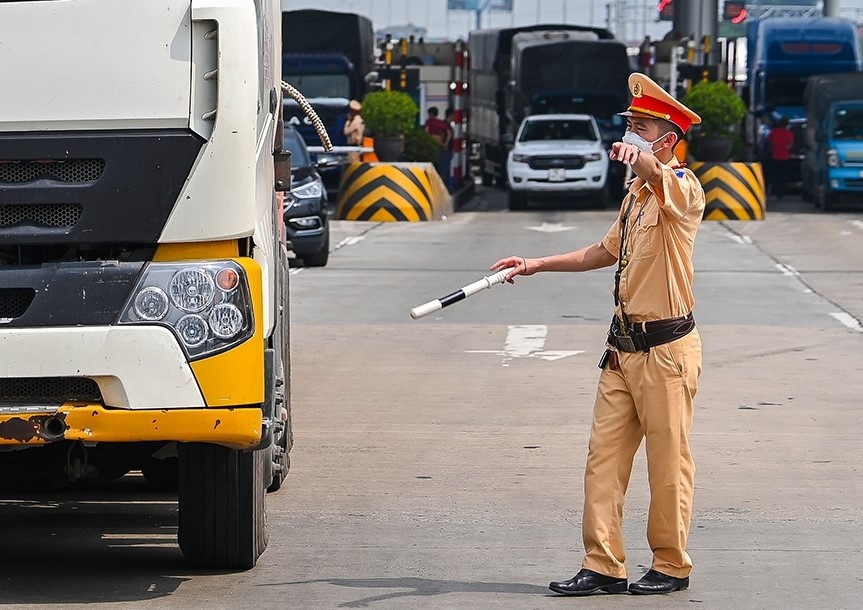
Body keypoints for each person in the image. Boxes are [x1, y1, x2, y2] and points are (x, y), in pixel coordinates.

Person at [491, 72, 705, 597]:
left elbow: (663, 177)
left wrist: (646, 162)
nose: (632, 134)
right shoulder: (635, 195)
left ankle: (671, 564)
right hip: (623, 349)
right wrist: (536, 263)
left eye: (642, 126)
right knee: (603, 459)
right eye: (630, 125)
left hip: (667, 351)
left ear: (668, 138)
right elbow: (603, 252)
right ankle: (604, 564)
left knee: (667, 461)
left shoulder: (682, 189)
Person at [765, 116, 793, 198]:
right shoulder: (789, 134)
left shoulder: (773, 132)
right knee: (783, 176)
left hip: (775, 157)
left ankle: (773, 190)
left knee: (774, 175)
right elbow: (790, 145)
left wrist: (770, 151)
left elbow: (769, 144)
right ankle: (780, 193)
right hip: (785, 157)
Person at [423, 106, 453, 183]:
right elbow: (449, 133)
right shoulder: (441, 123)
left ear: (430, 114)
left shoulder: (429, 122)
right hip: (441, 146)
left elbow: (426, 132)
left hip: (432, 147)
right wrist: (446, 143)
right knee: (443, 166)